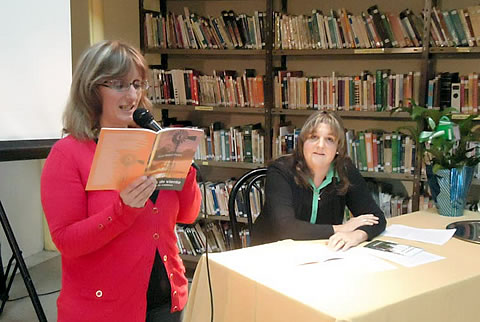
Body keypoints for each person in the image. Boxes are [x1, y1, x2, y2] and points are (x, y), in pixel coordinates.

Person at [40, 40, 201, 322]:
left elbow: (188, 215)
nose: (132, 94)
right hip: (103, 310)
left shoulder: (153, 143)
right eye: (120, 85)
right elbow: (66, 241)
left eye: (138, 84)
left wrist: (185, 173)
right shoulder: (67, 154)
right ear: (92, 90)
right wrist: (122, 210)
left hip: (167, 301)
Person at [252, 111, 386, 250]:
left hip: (320, 252)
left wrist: (357, 235)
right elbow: (286, 228)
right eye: (313, 137)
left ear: (338, 147)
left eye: (329, 139)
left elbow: (376, 218)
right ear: (303, 142)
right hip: (270, 252)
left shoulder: (344, 170)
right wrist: (342, 229)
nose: (320, 145)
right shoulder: (280, 171)